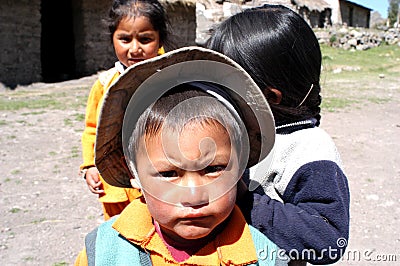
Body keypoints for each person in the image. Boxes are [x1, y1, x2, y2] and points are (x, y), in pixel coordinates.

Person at [75, 46, 288, 265]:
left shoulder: (265, 256)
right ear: (134, 173)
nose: (194, 196)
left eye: (213, 169)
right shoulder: (101, 252)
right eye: (169, 173)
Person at [206, 4, 350, 264]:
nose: (217, 96)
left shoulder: (308, 149)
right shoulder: (235, 132)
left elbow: (328, 239)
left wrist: (246, 202)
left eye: (225, 87)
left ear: (269, 97)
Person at [80, 0, 171, 220]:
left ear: (160, 39)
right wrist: (90, 165)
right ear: (112, 38)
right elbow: (93, 129)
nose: (135, 48)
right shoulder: (105, 85)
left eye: (145, 39)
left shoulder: (169, 78)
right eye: (125, 39)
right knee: (121, 231)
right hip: (116, 181)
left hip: (160, 174)